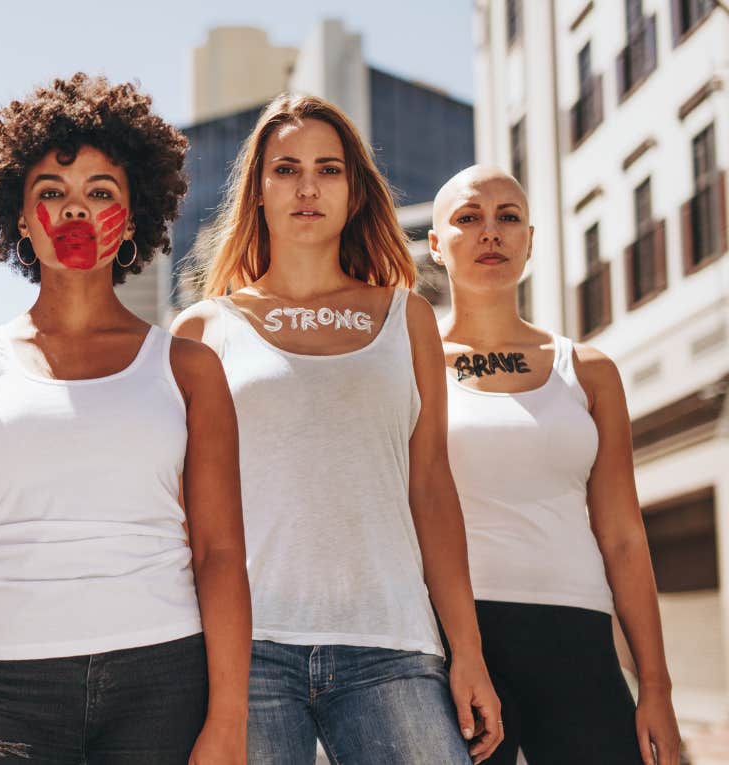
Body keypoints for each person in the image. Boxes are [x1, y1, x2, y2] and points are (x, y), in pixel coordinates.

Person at [0, 73, 251, 765]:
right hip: (11, 686)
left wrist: (228, 721)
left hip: (164, 680)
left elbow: (219, 555)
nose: (75, 212)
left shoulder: (188, 369)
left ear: (130, 218)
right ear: (21, 216)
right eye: (52, 194)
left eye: (100, 193)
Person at [173, 93, 502, 765]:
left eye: (328, 169)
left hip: (392, 643)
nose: (307, 187)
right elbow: (179, 514)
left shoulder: (406, 317)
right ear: (257, 191)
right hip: (246, 653)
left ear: (354, 192)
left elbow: (432, 489)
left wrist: (467, 651)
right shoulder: (203, 331)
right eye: (286, 168)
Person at [429, 164, 680, 765]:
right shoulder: (411, 365)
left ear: (531, 240)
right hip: (454, 641)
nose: (491, 232)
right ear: (436, 244)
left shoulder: (588, 371)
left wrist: (657, 687)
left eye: (508, 218)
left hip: (577, 635)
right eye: (469, 218)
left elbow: (622, 535)